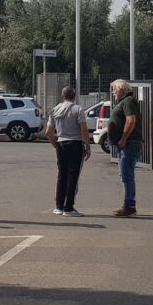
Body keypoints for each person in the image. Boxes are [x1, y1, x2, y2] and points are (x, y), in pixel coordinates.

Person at [45, 86, 91, 217]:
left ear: (62, 96)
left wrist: (56, 145)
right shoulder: (77, 109)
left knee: (62, 175)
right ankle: (69, 207)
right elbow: (83, 129)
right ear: (74, 96)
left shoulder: (55, 110)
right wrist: (87, 146)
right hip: (75, 144)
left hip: (61, 143)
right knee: (73, 176)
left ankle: (58, 206)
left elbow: (48, 132)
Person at [109, 79, 142, 217]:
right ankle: (128, 204)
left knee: (126, 175)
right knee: (124, 175)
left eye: (114, 89)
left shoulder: (128, 101)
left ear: (121, 89)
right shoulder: (124, 102)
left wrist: (124, 137)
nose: (113, 92)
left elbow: (131, 120)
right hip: (125, 145)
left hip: (129, 144)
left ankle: (129, 205)